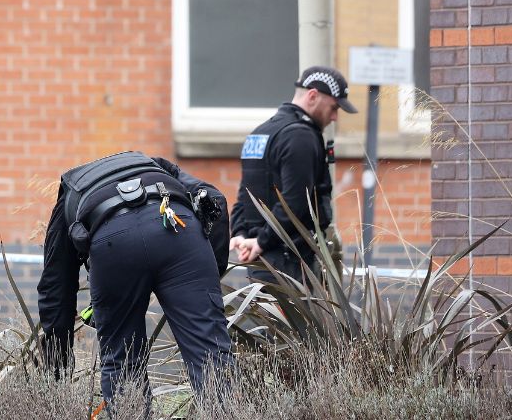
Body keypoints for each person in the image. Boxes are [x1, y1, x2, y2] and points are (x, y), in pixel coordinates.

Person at [37, 151, 233, 415]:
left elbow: (55, 289)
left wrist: (56, 370)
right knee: (211, 357)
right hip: (178, 232)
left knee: (122, 365)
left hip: (112, 241)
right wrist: (209, 280)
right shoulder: (157, 165)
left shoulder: (71, 189)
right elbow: (215, 198)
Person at [229, 65, 357, 284]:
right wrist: (260, 242)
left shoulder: (260, 133)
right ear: (313, 96)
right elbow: (294, 202)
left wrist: (240, 235)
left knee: (264, 318)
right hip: (290, 263)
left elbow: (245, 196)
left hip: (262, 261)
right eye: (334, 107)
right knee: (296, 320)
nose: (335, 117)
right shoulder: (300, 137)